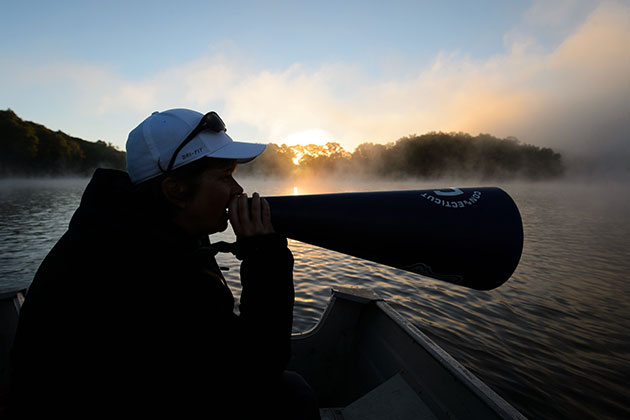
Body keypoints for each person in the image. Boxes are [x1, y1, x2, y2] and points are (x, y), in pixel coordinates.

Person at [9, 109, 320, 419]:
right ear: (175, 190)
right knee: (292, 394)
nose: (238, 191)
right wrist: (266, 257)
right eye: (225, 176)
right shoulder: (142, 267)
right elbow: (257, 367)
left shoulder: (126, 227)